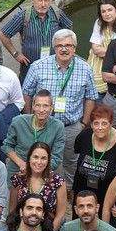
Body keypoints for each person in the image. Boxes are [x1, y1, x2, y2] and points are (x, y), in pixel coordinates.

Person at [21, 30, 97, 175]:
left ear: (74, 48)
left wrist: (84, 123)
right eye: (59, 45)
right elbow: (26, 93)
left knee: (71, 162)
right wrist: (31, 118)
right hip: (43, 125)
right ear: (54, 48)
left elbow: (91, 96)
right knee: (40, 160)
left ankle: (67, 193)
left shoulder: (85, 68)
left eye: (68, 45)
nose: (64, 49)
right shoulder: (38, 66)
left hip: (71, 127)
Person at [71, 102, 116, 204]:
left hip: (108, 194)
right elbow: (77, 150)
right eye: (96, 123)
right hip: (82, 191)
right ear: (91, 125)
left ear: (111, 124)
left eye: (104, 123)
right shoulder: (85, 136)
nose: (100, 127)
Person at [0, 0, 67, 71]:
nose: (43, 4)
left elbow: (68, 29)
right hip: (29, 67)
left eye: (46, 0)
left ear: (50, 1)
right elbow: (3, 34)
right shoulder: (23, 16)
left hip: (53, 67)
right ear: (33, 0)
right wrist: (16, 54)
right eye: (39, 0)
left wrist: (64, 48)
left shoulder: (57, 14)